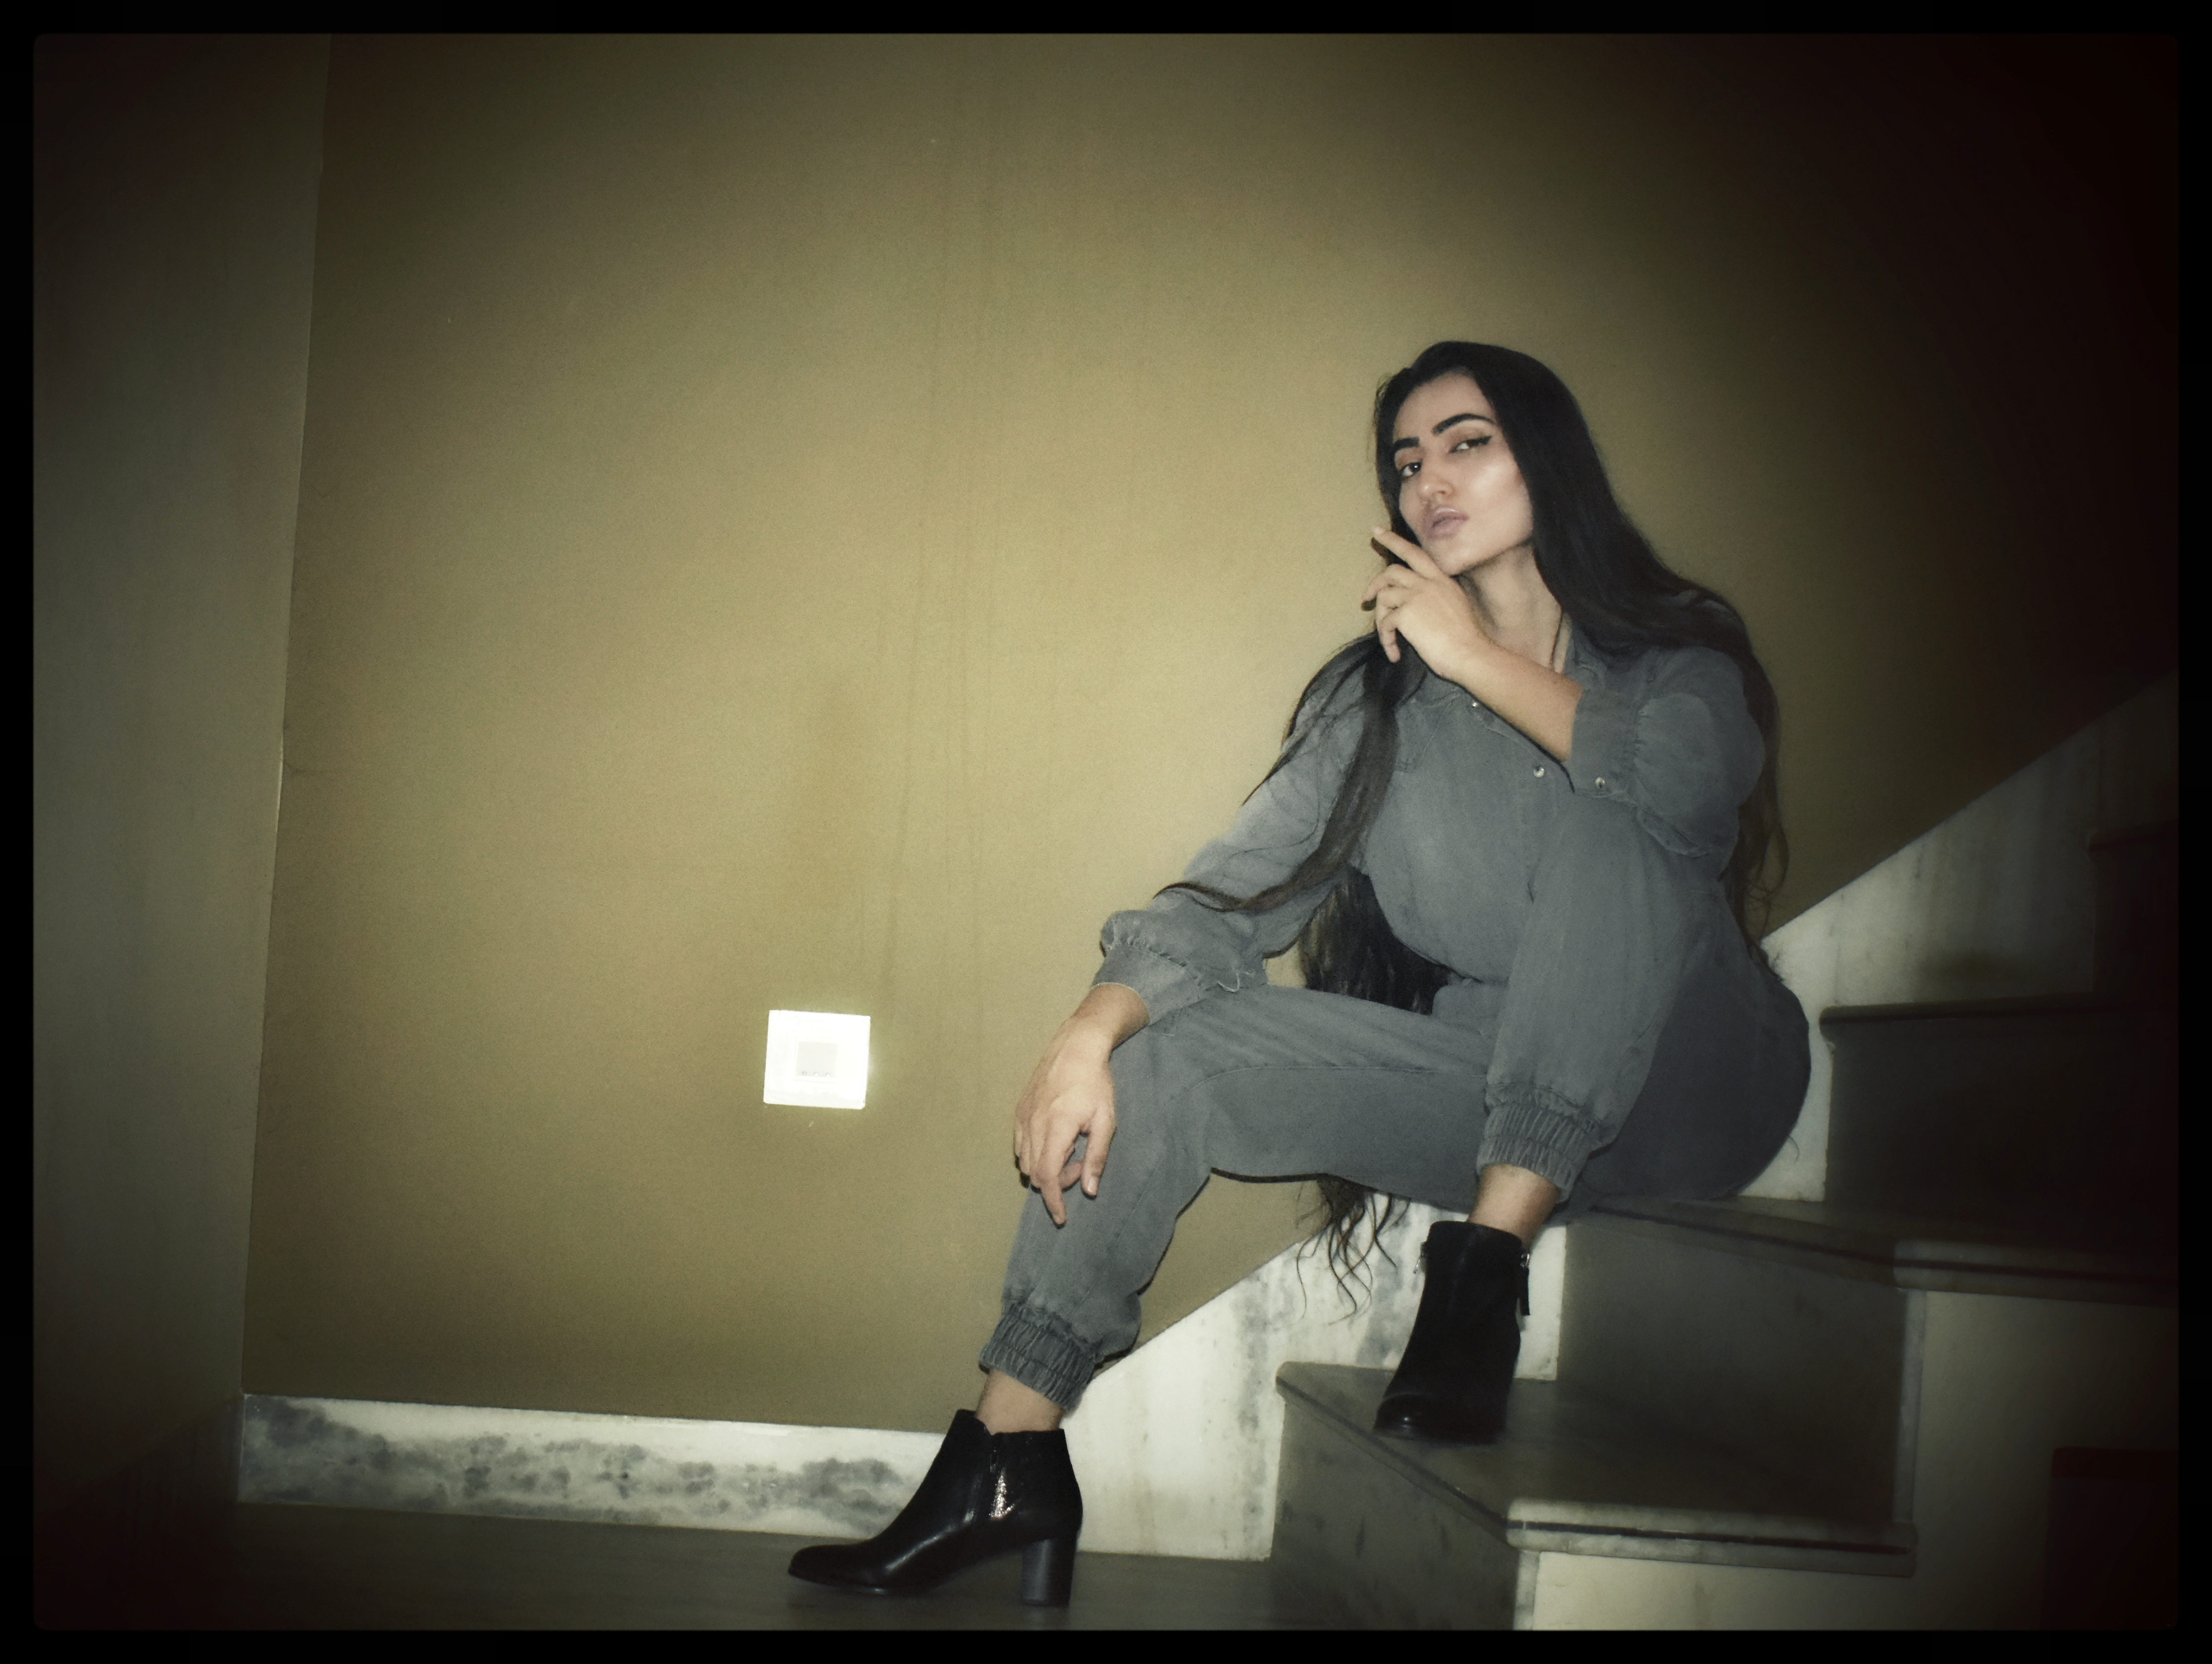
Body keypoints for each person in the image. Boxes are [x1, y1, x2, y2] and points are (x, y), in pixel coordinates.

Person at [787, 341, 1810, 1607]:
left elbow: (1686, 791)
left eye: (1469, 442)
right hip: (1498, 1088)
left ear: (1547, 457)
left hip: (1699, 1077)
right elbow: (1239, 891)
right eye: (1408, 460)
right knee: (1165, 1061)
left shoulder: (1676, 655)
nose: (1431, 478)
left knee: (1618, 808)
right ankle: (1008, 1458)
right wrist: (1086, 1038)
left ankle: (1481, 1277)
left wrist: (1472, 656)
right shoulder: (1375, 709)